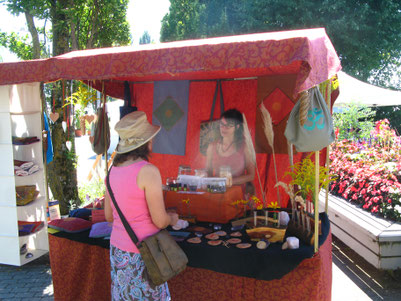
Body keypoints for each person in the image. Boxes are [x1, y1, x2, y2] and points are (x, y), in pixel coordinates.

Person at [104, 111, 178, 301]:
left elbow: (109, 217)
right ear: (146, 143)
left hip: (118, 250)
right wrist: (173, 218)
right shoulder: (148, 171)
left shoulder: (111, 171)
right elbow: (160, 221)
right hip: (144, 252)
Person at [206, 108, 255, 189]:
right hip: (216, 193)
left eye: (228, 125)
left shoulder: (245, 147)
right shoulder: (212, 146)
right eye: (221, 124)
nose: (223, 128)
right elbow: (208, 172)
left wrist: (229, 182)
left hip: (237, 194)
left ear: (237, 126)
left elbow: (251, 175)